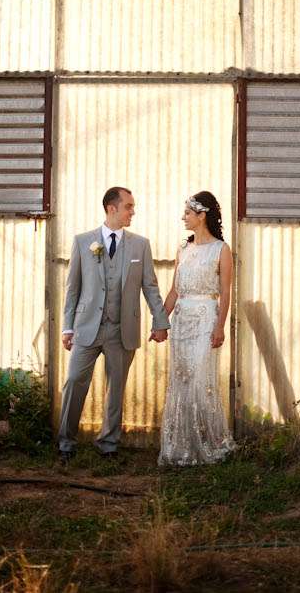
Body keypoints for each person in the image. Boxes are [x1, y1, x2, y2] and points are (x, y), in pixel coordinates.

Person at [58, 186, 169, 461]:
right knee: (74, 381)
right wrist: (67, 327)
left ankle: (108, 444)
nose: (133, 211)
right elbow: (72, 288)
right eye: (129, 206)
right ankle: (66, 442)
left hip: (121, 329)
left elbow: (150, 286)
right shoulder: (83, 242)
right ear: (112, 208)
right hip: (86, 326)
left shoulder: (140, 245)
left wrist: (160, 321)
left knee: (115, 388)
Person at [158, 191, 237, 466]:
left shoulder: (221, 250)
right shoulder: (183, 249)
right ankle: (181, 447)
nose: (183, 218)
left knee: (201, 382)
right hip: (181, 321)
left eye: (188, 213)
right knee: (181, 381)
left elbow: (225, 293)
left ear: (202, 216)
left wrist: (220, 327)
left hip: (206, 320)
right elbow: (174, 291)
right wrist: (160, 322)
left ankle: (211, 443)